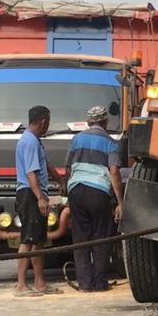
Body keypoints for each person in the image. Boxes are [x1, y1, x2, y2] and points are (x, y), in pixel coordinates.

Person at [63, 105, 125, 292]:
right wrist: (120, 202)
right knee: (101, 237)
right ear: (105, 121)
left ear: (89, 122)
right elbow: (114, 172)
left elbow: (67, 168)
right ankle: (99, 283)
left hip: (76, 190)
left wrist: (67, 192)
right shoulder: (109, 142)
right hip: (98, 192)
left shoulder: (76, 139)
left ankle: (84, 284)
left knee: (81, 238)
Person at [14, 105, 65, 296]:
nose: (48, 126)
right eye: (48, 122)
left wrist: (60, 180)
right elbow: (30, 172)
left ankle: (40, 283)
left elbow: (46, 164)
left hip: (34, 193)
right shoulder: (29, 142)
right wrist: (40, 198)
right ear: (43, 121)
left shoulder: (35, 142)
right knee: (28, 239)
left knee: (38, 240)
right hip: (29, 193)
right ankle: (21, 285)